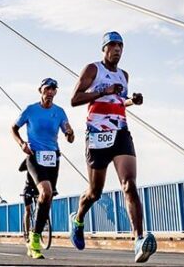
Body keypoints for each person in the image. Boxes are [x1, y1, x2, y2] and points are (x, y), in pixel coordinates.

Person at [68, 32, 156, 263]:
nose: (117, 49)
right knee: (95, 192)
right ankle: (77, 219)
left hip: (120, 133)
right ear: (104, 48)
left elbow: (118, 100)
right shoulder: (92, 69)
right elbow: (75, 99)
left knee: (129, 184)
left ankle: (138, 240)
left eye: (120, 46)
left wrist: (131, 101)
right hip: (97, 134)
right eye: (112, 45)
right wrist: (103, 91)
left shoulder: (124, 75)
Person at [12, 77, 75, 259]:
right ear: (40, 90)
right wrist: (22, 143)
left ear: (56, 92)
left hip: (53, 158)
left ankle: (35, 235)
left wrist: (70, 133)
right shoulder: (31, 110)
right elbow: (13, 128)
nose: (50, 92)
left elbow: (69, 135)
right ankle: (34, 239)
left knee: (47, 199)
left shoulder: (60, 112)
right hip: (34, 156)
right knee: (45, 192)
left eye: (53, 89)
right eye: (47, 89)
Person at [19, 160, 40, 242]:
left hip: (38, 187)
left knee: (42, 204)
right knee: (27, 210)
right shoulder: (30, 159)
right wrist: (28, 161)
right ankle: (27, 233)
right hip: (28, 188)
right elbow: (20, 169)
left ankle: (42, 222)